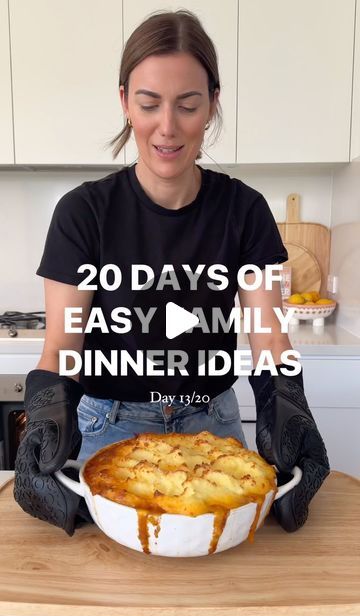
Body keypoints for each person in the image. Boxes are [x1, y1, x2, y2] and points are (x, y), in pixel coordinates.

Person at [14, 10, 329, 536]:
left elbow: (269, 334)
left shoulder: (245, 210)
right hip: (106, 430)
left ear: (211, 105)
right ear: (124, 103)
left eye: (187, 104)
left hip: (216, 431)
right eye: (149, 103)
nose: (168, 126)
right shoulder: (83, 213)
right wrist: (46, 413)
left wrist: (290, 404)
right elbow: (60, 347)